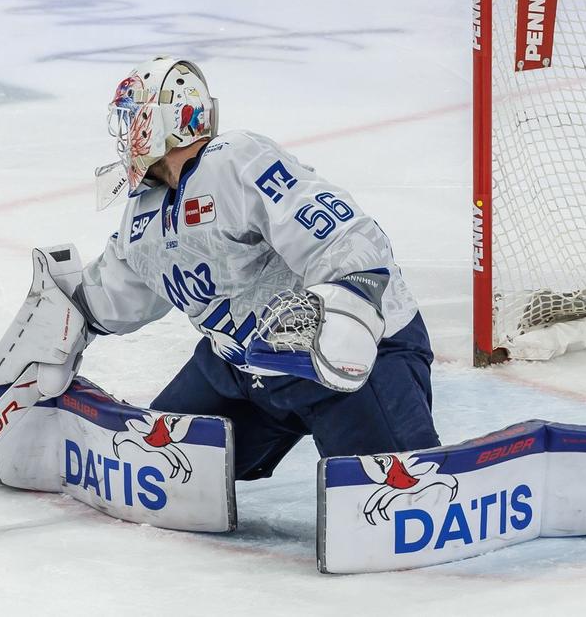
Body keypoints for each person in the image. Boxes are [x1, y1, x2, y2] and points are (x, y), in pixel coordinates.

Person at [71, 56, 440, 480]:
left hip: (352, 358)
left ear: (167, 119)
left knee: (394, 490)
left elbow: (344, 235)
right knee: (155, 467)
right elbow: (115, 292)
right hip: (241, 366)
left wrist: (350, 309)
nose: (127, 132)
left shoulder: (237, 161)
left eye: (135, 118)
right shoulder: (144, 211)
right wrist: (58, 329)